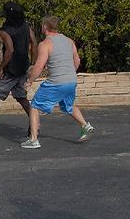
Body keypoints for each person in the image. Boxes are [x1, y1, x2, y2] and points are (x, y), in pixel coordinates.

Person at [21, 16, 95, 149]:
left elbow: (39, 66)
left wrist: (29, 81)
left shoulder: (45, 44)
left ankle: (33, 140)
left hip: (56, 82)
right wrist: (69, 74)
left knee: (34, 106)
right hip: (71, 81)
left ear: (44, 26)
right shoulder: (69, 41)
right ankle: (85, 125)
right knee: (68, 106)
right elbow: (77, 61)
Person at [0, 2, 37, 135]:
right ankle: (34, 123)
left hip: (10, 69)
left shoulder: (4, 31)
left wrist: (0, 68)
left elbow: (10, 50)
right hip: (23, 67)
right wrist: (33, 63)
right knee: (21, 96)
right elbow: (33, 42)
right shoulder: (26, 26)